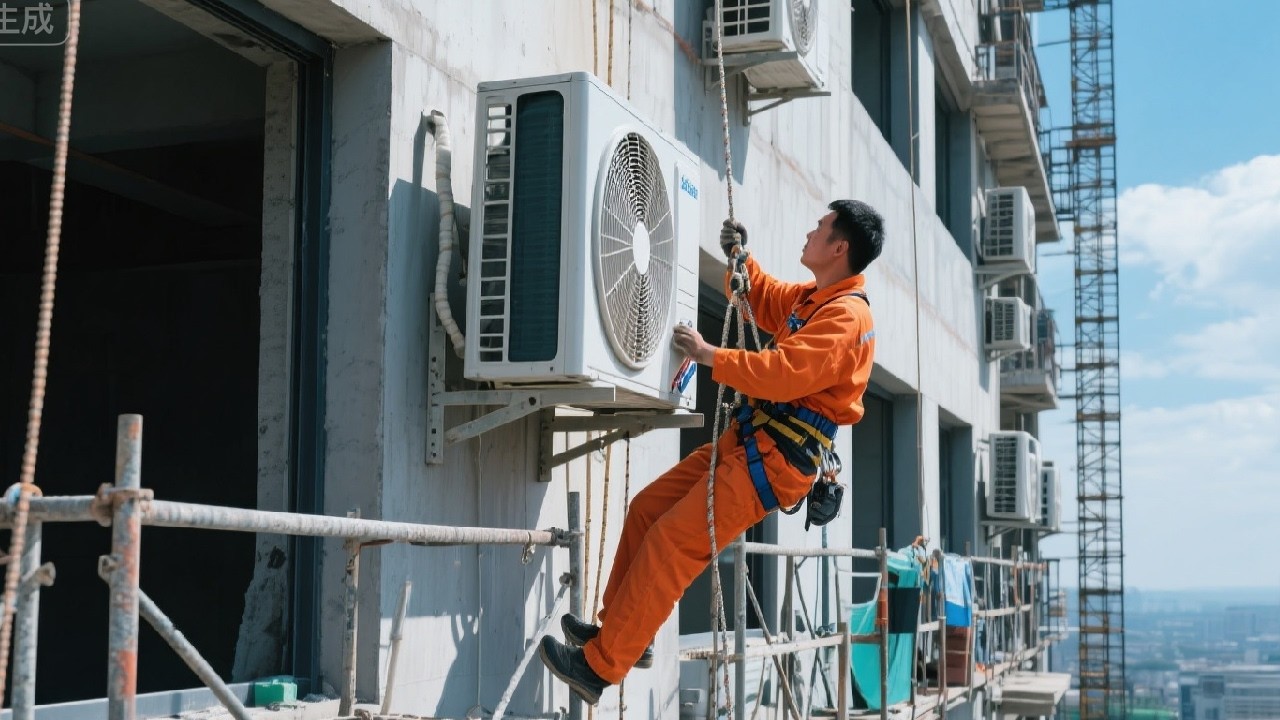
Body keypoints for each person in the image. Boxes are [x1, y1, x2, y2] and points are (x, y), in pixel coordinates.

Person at [538, 200, 886, 705]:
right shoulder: (818, 299)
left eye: (820, 227)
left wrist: (708, 355)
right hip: (751, 445)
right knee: (647, 510)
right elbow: (763, 300)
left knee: (671, 545)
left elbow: (784, 373)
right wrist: (740, 260)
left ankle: (598, 669)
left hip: (772, 460)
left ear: (839, 247)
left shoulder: (846, 318)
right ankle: (622, 637)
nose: (810, 231)